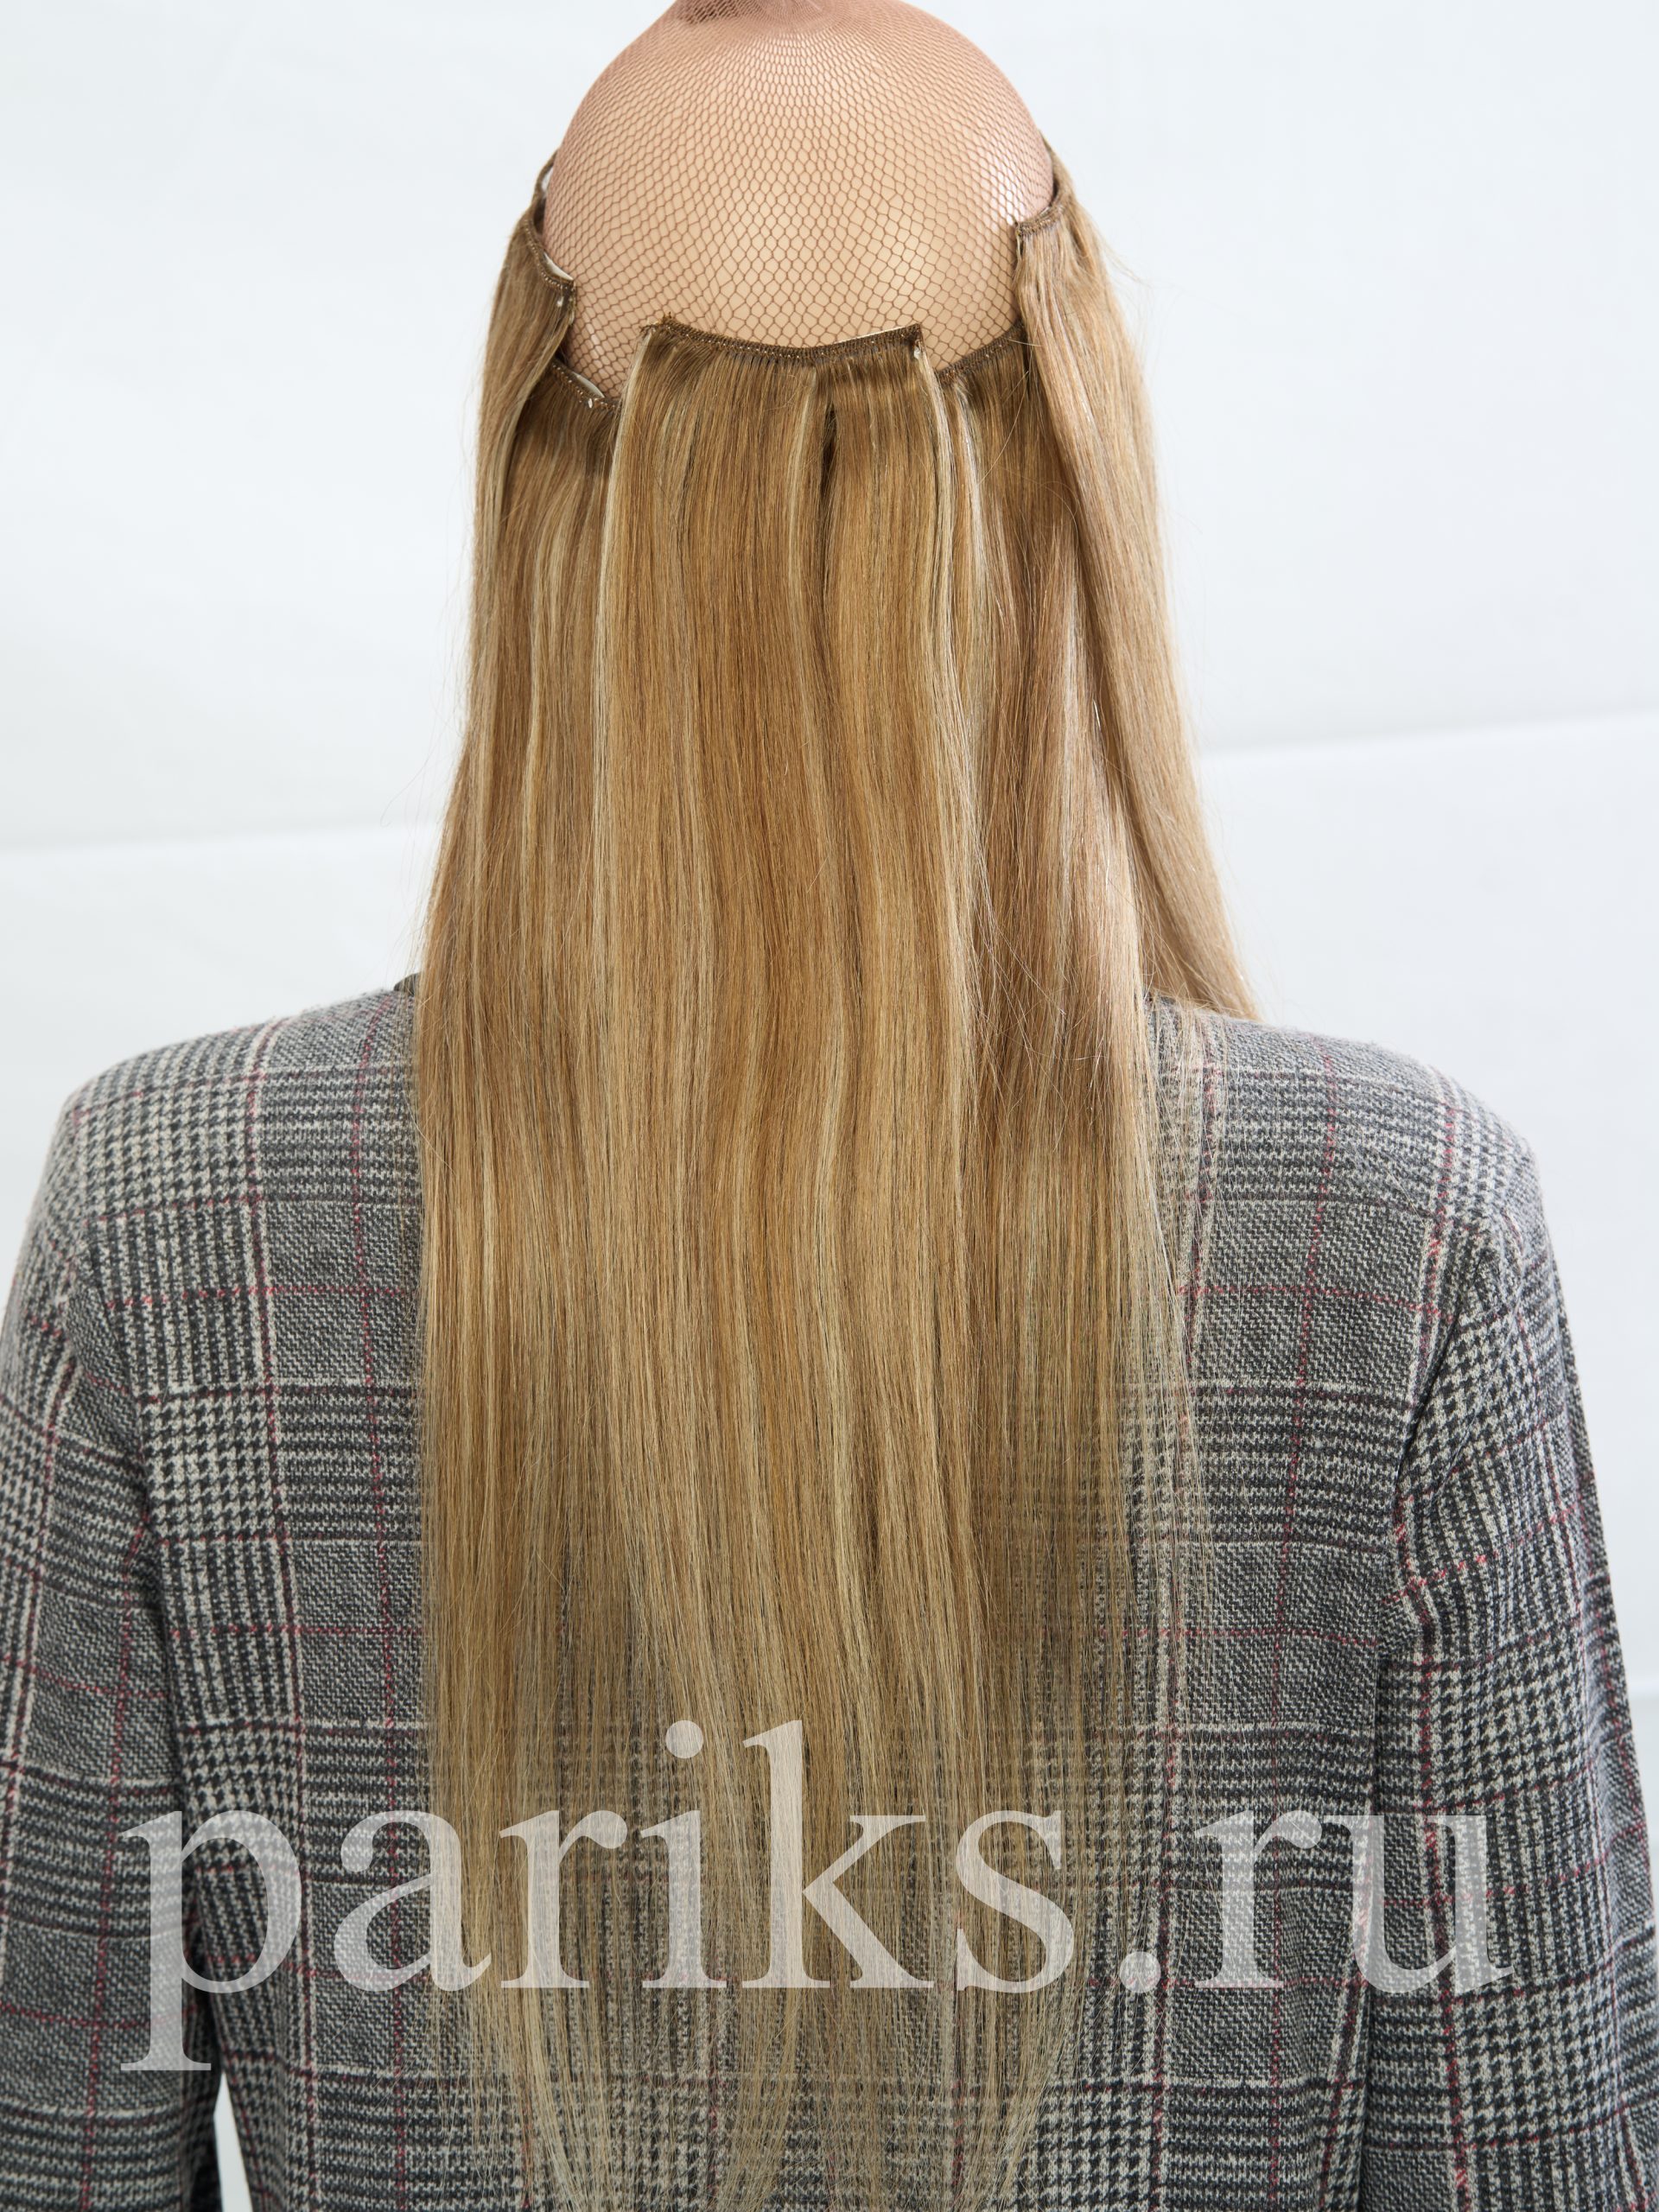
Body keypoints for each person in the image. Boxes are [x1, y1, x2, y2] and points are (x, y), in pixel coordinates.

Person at [1, 3, 1653, 2205]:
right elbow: (1540, 2150)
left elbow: (50, 2135)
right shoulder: (1400, 1230)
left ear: (535, 471)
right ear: (1067, 463)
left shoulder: (168, 1224)